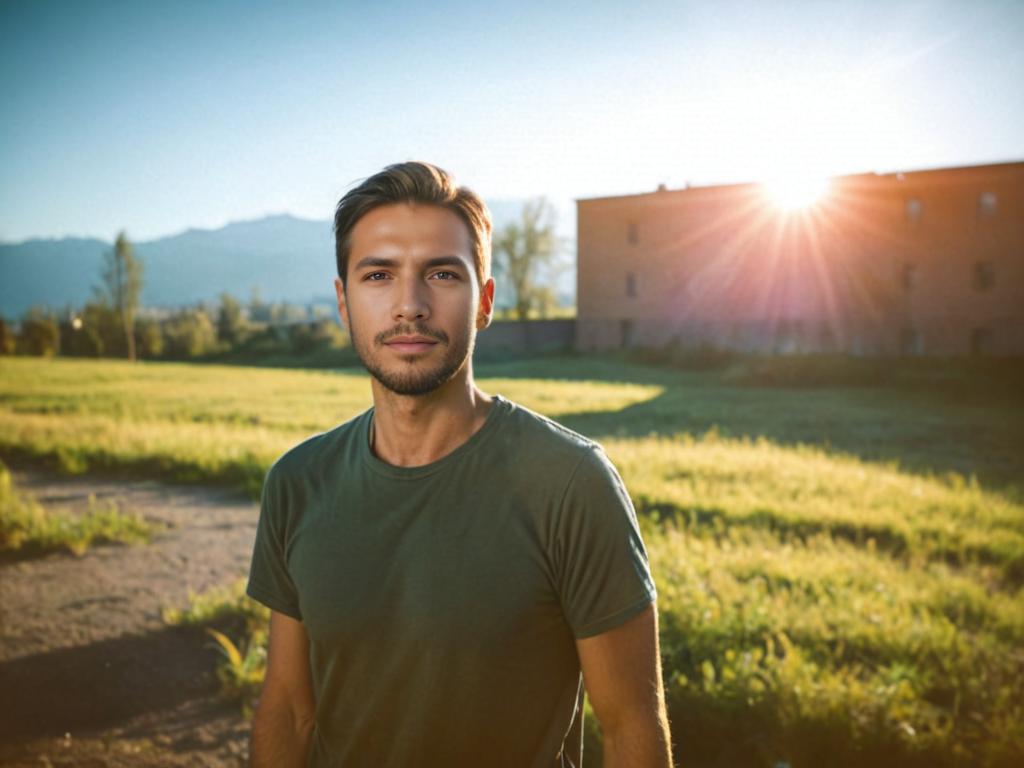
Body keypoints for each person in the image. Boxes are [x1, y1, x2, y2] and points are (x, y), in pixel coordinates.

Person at [245, 161, 673, 767]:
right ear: (343, 301)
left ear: (485, 302)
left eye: (442, 274)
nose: (410, 305)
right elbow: (288, 708)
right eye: (378, 275)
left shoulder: (570, 482)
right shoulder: (298, 481)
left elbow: (631, 724)